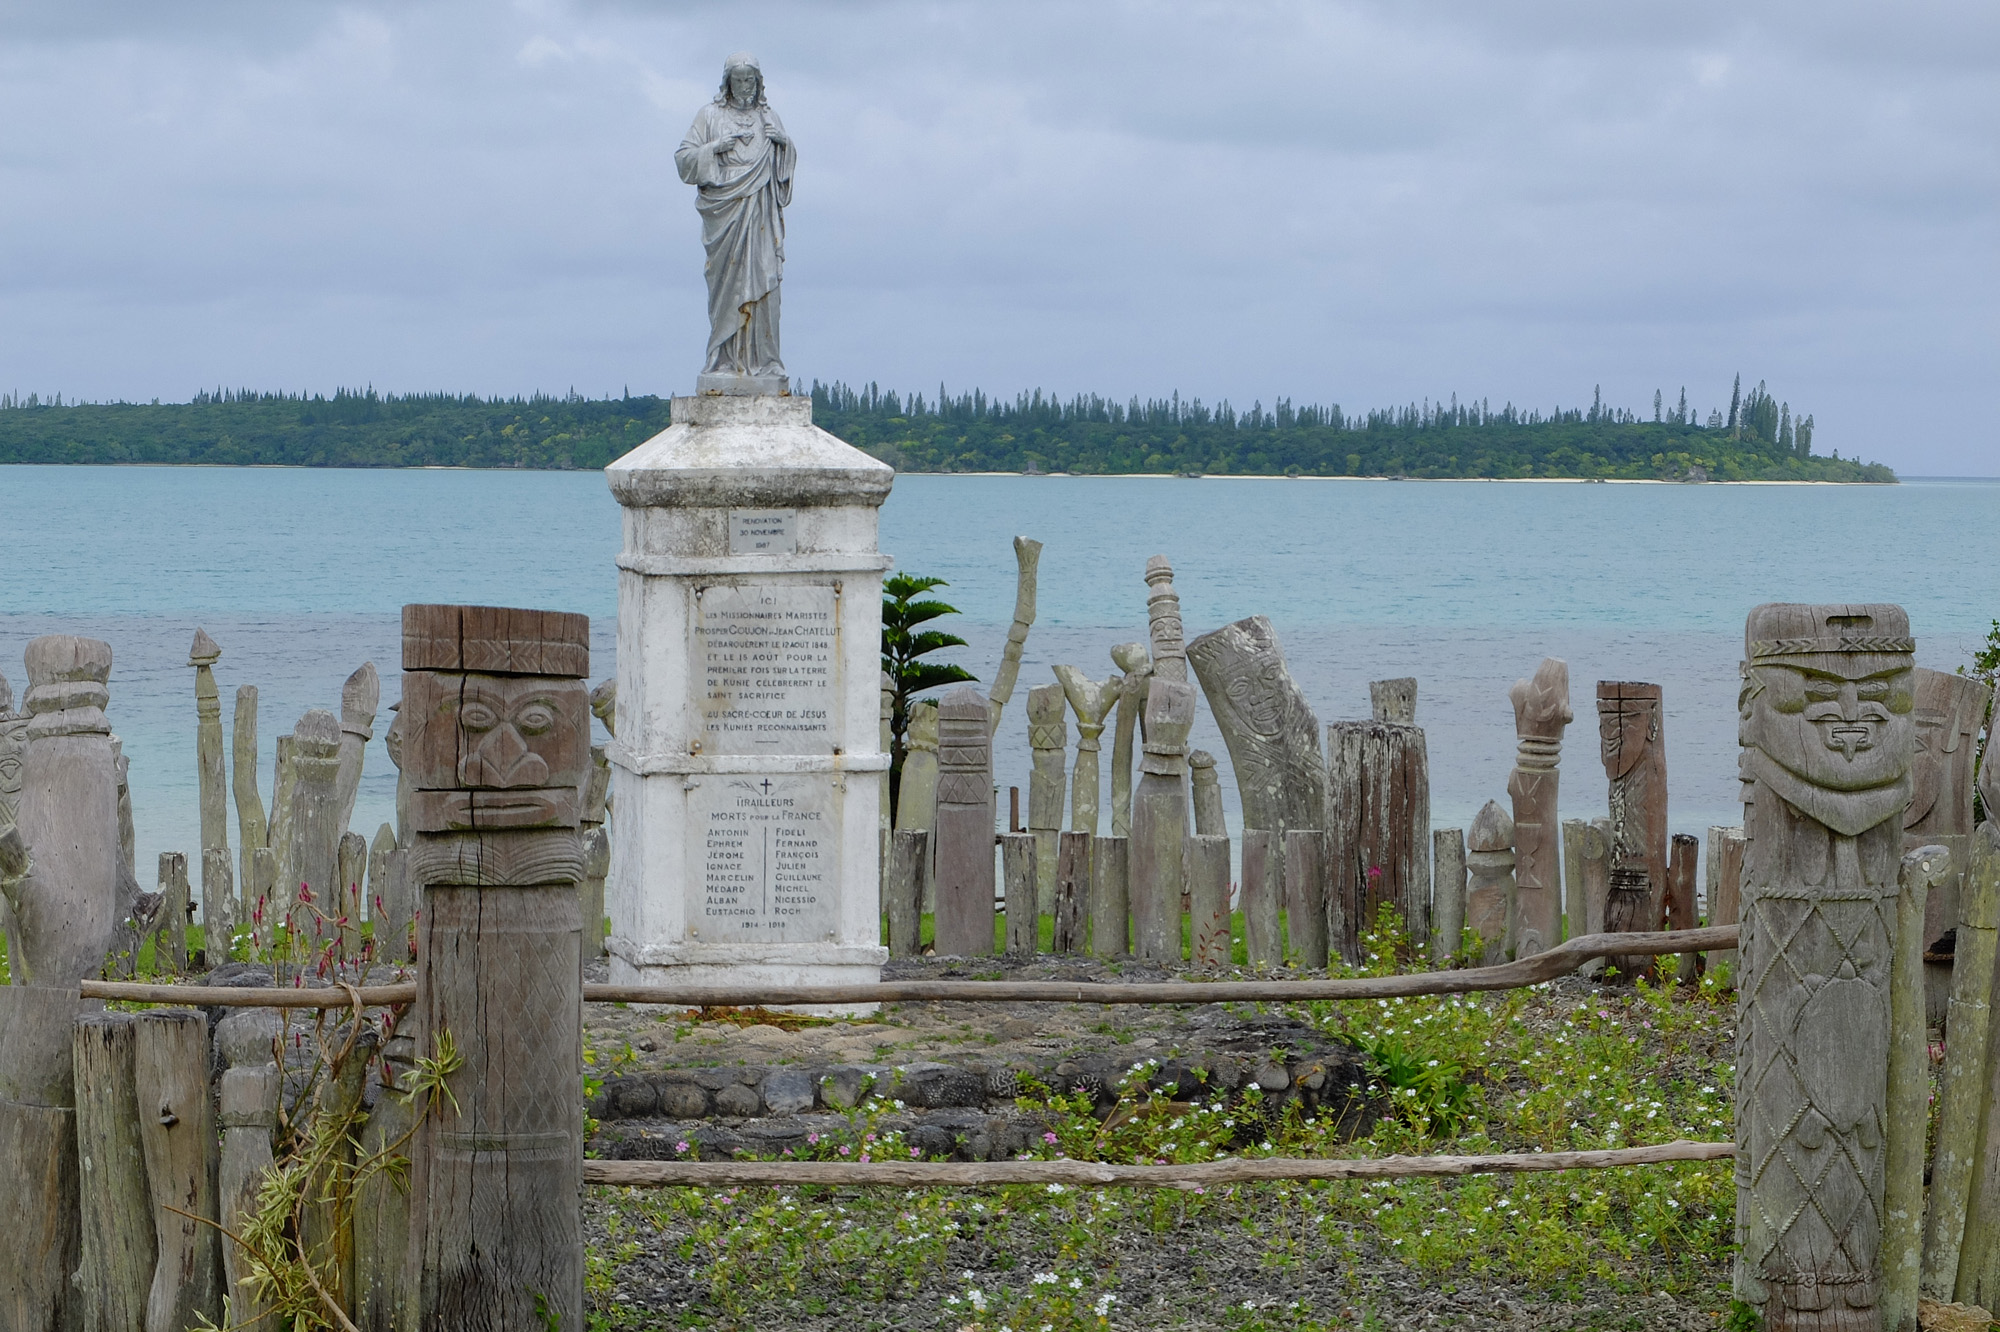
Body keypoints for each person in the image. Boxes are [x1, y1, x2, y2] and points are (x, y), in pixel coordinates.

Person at [675, 52, 794, 389]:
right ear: (727, 83)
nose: (745, 87)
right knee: (727, 286)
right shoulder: (709, 116)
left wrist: (784, 146)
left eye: (750, 80)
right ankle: (725, 358)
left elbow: (783, 178)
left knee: (764, 284)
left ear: (759, 83)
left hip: (760, 214)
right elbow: (684, 159)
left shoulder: (769, 118)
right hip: (725, 215)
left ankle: (764, 361)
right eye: (738, 80)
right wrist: (713, 148)